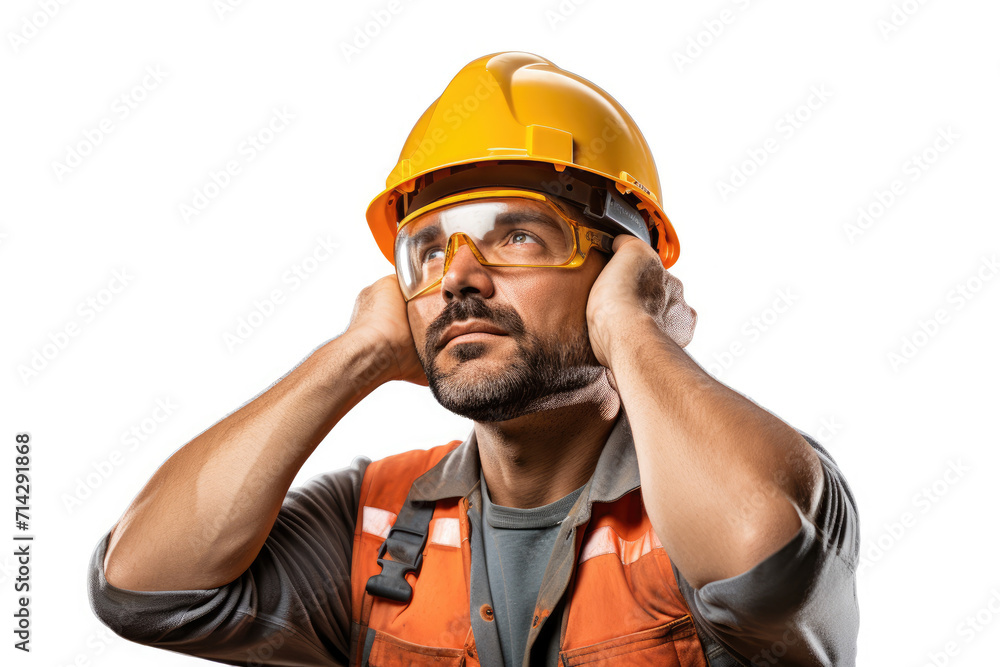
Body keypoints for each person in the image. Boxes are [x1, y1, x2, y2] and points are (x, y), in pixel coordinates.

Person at [88, 52, 860, 666]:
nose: (456, 274)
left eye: (518, 234)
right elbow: (142, 587)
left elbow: (763, 566)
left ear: (624, 267)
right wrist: (355, 353)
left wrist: (632, 334)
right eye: (424, 249)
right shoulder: (376, 524)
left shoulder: (743, 477)